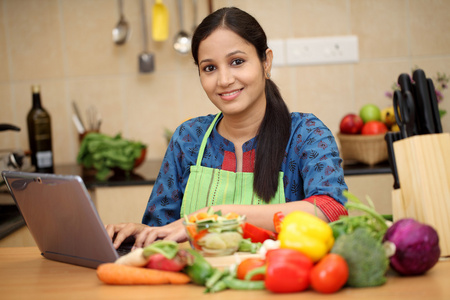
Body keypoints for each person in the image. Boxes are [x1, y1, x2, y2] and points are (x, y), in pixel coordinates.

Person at [106, 7, 348, 249]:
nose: (224, 80)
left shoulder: (305, 133)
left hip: (278, 280)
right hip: (198, 284)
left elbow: (331, 210)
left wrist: (218, 214)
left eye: (237, 62)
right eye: (209, 68)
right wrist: (143, 233)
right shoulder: (188, 139)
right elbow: (164, 229)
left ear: (266, 62)